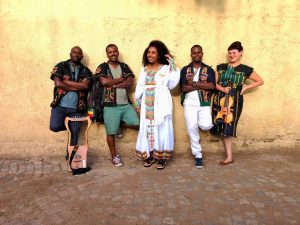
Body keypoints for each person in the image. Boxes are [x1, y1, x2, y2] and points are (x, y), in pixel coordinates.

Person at [211, 41, 264, 165]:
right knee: (220, 124)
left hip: (235, 100)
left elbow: (260, 81)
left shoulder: (246, 69)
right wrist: (222, 89)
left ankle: (229, 157)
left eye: (234, 52)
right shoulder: (221, 67)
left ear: (240, 53)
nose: (231, 55)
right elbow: (214, 83)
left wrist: (245, 88)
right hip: (220, 98)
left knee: (229, 126)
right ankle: (229, 156)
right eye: (229, 53)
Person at [135, 40, 180, 169]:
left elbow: (172, 84)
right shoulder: (144, 69)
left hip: (161, 102)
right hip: (147, 103)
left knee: (162, 127)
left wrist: (172, 63)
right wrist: (138, 101)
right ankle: (149, 155)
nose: (150, 55)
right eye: (148, 52)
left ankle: (161, 157)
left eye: (153, 52)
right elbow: (140, 86)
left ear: (159, 55)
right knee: (148, 127)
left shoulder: (165, 68)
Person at [95, 44, 139, 167]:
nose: (113, 53)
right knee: (111, 132)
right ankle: (114, 157)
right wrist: (121, 80)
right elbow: (104, 81)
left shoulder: (124, 66)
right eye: (110, 52)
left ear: (118, 52)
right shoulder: (103, 67)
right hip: (110, 105)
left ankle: (118, 123)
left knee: (137, 124)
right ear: (107, 54)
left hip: (125, 104)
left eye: (115, 51)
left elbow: (130, 82)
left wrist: (113, 85)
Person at [49, 46, 92, 153]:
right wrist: (77, 86)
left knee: (75, 134)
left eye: (79, 53)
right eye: (74, 52)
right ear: (70, 54)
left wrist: (66, 82)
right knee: (54, 126)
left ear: (82, 56)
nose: (76, 55)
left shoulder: (86, 70)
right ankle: (70, 127)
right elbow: (58, 83)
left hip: (77, 108)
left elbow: (85, 86)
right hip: (59, 105)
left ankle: (71, 157)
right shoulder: (61, 66)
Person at [180, 45, 216, 168]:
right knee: (192, 128)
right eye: (194, 53)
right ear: (191, 54)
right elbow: (183, 88)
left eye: (198, 52)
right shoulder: (185, 70)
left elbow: (212, 86)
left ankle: (208, 125)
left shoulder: (208, 69)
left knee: (206, 125)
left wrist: (194, 83)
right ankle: (198, 155)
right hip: (189, 102)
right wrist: (202, 85)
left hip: (204, 102)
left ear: (202, 54)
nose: (196, 55)